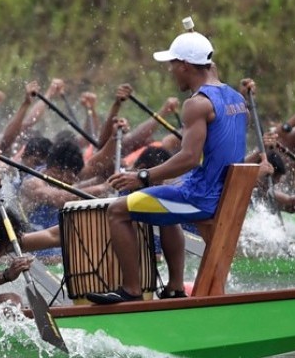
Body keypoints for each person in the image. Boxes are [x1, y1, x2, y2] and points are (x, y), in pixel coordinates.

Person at [86, 31, 249, 304]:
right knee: (165, 196)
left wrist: (142, 176)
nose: (170, 71)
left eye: (173, 64)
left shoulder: (196, 104)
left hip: (203, 198)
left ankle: (131, 291)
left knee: (116, 210)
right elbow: (209, 66)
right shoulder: (235, 97)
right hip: (223, 193)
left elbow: (187, 158)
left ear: (185, 65)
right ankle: (174, 287)